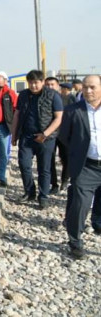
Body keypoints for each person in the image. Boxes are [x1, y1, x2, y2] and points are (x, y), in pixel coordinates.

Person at [58, 75, 101, 260]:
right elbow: (64, 137)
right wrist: (77, 152)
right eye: (85, 87)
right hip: (86, 166)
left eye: (92, 87)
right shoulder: (73, 110)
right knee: (80, 204)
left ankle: (97, 222)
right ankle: (75, 241)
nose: (88, 91)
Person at [11, 70, 64, 210]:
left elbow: (58, 118)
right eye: (30, 83)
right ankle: (30, 192)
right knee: (24, 164)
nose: (33, 86)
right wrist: (14, 135)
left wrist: (45, 134)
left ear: (42, 82)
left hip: (46, 139)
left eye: (36, 83)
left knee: (44, 169)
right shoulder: (23, 95)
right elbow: (17, 115)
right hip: (26, 137)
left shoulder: (53, 95)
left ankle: (43, 196)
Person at [58, 82, 76, 190]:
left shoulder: (72, 98)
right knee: (61, 156)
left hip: (67, 131)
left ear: (66, 89)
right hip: (56, 131)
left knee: (66, 158)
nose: (61, 89)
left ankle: (65, 180)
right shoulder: (58, 97)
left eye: (63, 88)